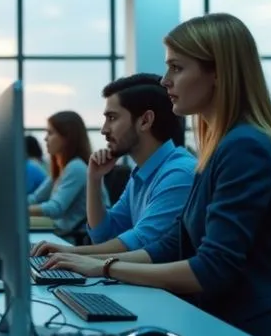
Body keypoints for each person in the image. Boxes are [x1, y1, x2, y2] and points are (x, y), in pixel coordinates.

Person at [43, 13, 271, 336]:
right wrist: (84, 260)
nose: (165, 81)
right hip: (225, 322)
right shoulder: (217, 150)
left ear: (217, 73)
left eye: (176, 68)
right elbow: (170, 246)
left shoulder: (244, 147)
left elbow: (211, 269)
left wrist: (104, 267)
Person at [32, 74, 195, 256]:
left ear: (145, 121)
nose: (104, 130)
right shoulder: (141, 173)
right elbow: (103, 235)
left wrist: (71, 253)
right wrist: (94, 179)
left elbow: (139, 243)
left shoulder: (179, 173)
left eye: (112, 118)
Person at [27, 111, 107, 233]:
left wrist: (17, 210)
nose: (45, 138)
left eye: (50, 133)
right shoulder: (64, 167)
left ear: (67, 138)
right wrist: (9, 204)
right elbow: (36, 198)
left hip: (75, 237)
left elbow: (55, 208)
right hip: (62, 232)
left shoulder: (76, 167)